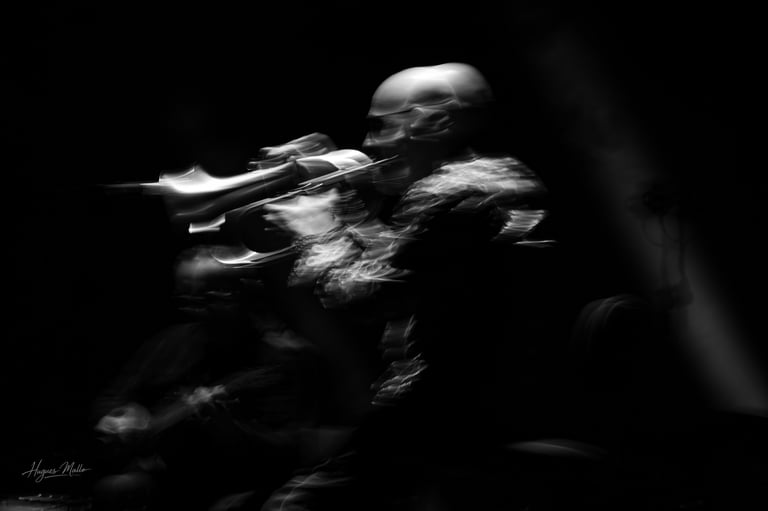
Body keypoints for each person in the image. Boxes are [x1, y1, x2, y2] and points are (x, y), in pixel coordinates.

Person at [257, 62, 558, 510]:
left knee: (294, 506)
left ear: (436, 121)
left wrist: (318, 230)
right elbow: (408, 266)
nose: (368, 144)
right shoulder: (493, 181)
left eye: (381, 126)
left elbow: (364, 298)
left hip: (449, 410)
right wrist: (343, 205)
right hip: (486, 397)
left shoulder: (455, 195)